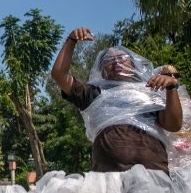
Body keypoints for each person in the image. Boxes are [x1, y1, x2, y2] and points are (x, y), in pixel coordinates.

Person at [50, 27, 182, 172]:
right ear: (102, 71)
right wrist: (71, 40)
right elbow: (59, 75)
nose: (116, 63)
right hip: (108, 180)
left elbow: (173, 125)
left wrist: (171, 88)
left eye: (121, 59)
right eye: (109, 60)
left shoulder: (150, 91)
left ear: (133, 65)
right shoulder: (93, 93)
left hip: (154, 175)